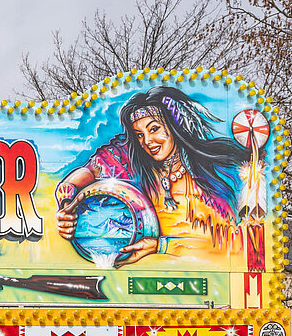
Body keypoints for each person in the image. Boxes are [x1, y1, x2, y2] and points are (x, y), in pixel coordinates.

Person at [54, 86, 255, 264]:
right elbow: (88, 172)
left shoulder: (221, 169)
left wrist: (161, 246)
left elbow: (234, 248)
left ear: (176, 125)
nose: (148, 141)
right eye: (140, 135)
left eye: (155, 129)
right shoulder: (130, 160)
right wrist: (66, 206)